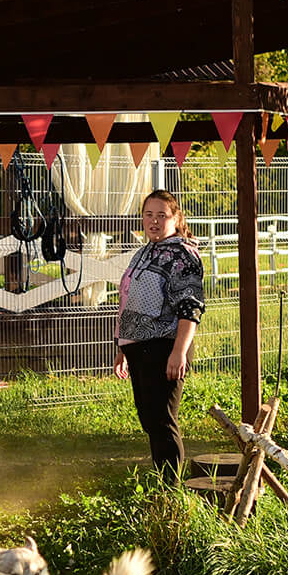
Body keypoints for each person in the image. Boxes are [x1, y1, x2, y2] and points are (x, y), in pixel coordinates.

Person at [113, 189, 206, 480]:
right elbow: (129, 301)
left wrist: (179, 351)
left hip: (165, 345)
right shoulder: (144, 252)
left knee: (163, 419)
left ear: (176, 219)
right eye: (148, 215)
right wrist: (122, 348)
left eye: (161, 216)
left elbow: (190, 307)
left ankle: (171, 487)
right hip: (138, 346)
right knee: (149, 419)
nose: (153, 221)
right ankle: (163, 480)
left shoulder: (182, 254)